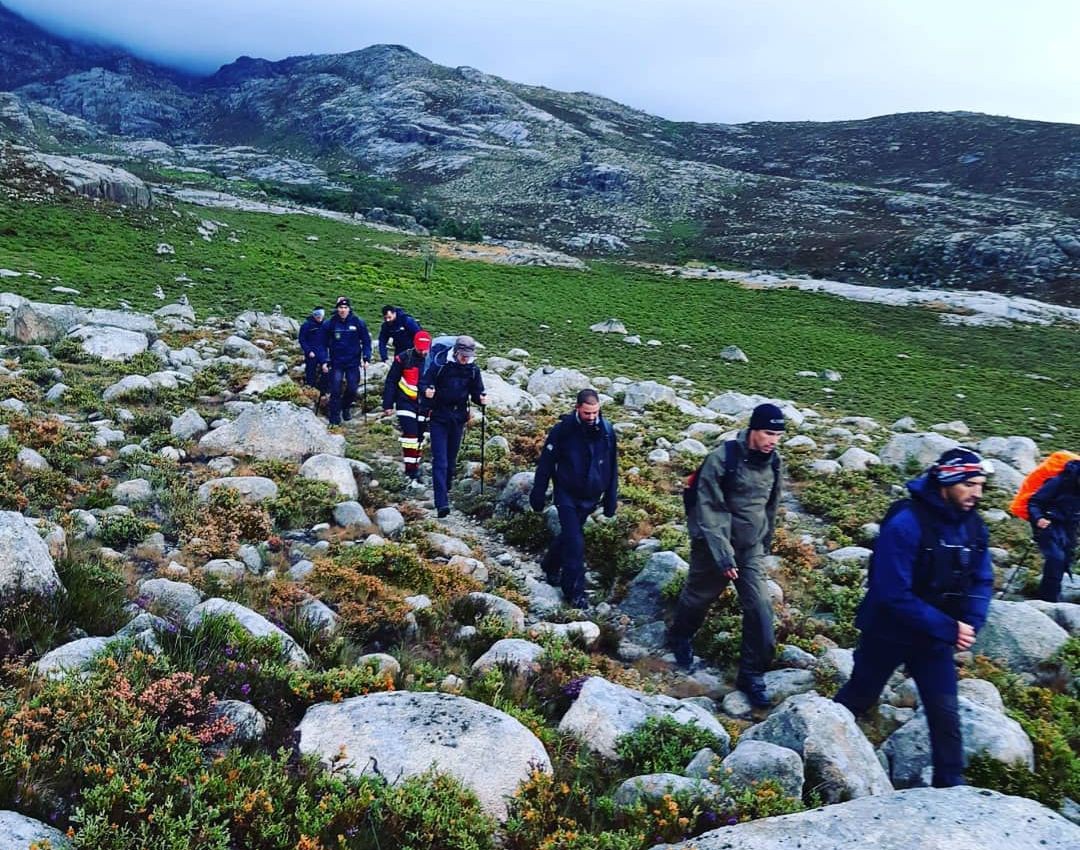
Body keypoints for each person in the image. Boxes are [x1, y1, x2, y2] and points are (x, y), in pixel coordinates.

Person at [834, 447, 994, 788]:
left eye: (980, 484)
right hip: (888, 632)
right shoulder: (906, 522)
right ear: (947, 481)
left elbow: (982, 579)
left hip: (934, 640)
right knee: (860, 696)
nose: (977, 493)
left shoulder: (974, 526)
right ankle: (821, 742)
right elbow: (892, 592)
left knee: (945, 714)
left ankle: (951, 789)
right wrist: (950, 627)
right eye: (969, 484)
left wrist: (971, 623)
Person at [667, 402, 785, 705]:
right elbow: (710, 509)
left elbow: (771, 504)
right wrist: (722, 555)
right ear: (753, 430)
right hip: (713, 547)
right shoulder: (722, 459)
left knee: (760, 609)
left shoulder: (774, 462)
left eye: (778, 435)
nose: (773, 440)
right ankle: (680, 636)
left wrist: (765, 541)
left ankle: (751, 674)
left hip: (750, 550)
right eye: (768, 433)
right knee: (698, 599)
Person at [530, 389, 619, 610]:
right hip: (566, 493)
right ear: (577, 407)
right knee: (576, 542)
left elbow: (612, 466)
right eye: (587, 413)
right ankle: (575, 592)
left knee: (570, 537)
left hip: (591, 496)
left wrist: (610, 499)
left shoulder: (607, 431)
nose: (591, 417)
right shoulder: (563, 430)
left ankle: (550, 565)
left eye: (595, 413)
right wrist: (538, 493)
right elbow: (546, 464)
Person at [421, 335, 486, 518]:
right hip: (439, 417)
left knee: (451, 461)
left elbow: (476, 392)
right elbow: (424, 382)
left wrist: (480, 398)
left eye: (469, 355)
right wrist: (427, 391)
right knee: (440, 461)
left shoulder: (473, 370)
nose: (466, 358)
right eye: (463, 355)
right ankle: (441, 502)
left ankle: (446, 486)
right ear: (456, 351)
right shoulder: (440, 365)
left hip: (458, 418)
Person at [382, 329, 433, 481]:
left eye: (426, 349)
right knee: (410, 434)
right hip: (405, 401)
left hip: (424, 403)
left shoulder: (433, 361)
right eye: (420, 349)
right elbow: (391, 381)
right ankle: (410, 470)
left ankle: (415, 464)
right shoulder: (402, 358)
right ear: (414, 346)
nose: (424, 352)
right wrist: (388, 404)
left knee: (419, 435)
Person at [1028, 458, 1080, 602]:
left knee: (1065, 561)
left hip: (1069, 528)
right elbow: (1034, 502)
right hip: (1048, 524)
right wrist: (1038, 518)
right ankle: (1047, 601)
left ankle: (1049, 597)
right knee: (1056, 559)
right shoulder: (1059, 481)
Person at [324, 296, 371, 425]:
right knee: (335, 389)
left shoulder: (358, 322)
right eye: (340, 307)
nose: (343, 310)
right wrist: (324, 359)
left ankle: (345, 407)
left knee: (352, 388)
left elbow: (366, 341)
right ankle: (334, 416)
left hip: (352, 362)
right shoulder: (330, 323)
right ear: (337, 309)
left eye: (345, 307)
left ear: (349, 309)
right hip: (336, 362)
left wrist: (366, 357)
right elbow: (322, 343)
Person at [298, 306, 328, 388]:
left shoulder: (326, 325)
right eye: (317, 315)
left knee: (326, 371)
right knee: (310, 372)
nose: (319, 317)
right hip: (311, 353)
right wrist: (308, 351)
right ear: (314, 315)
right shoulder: (306, 325)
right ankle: (310, 388)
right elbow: (302, 340)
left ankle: (324, 391)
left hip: (323, 352)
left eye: (321, 314)